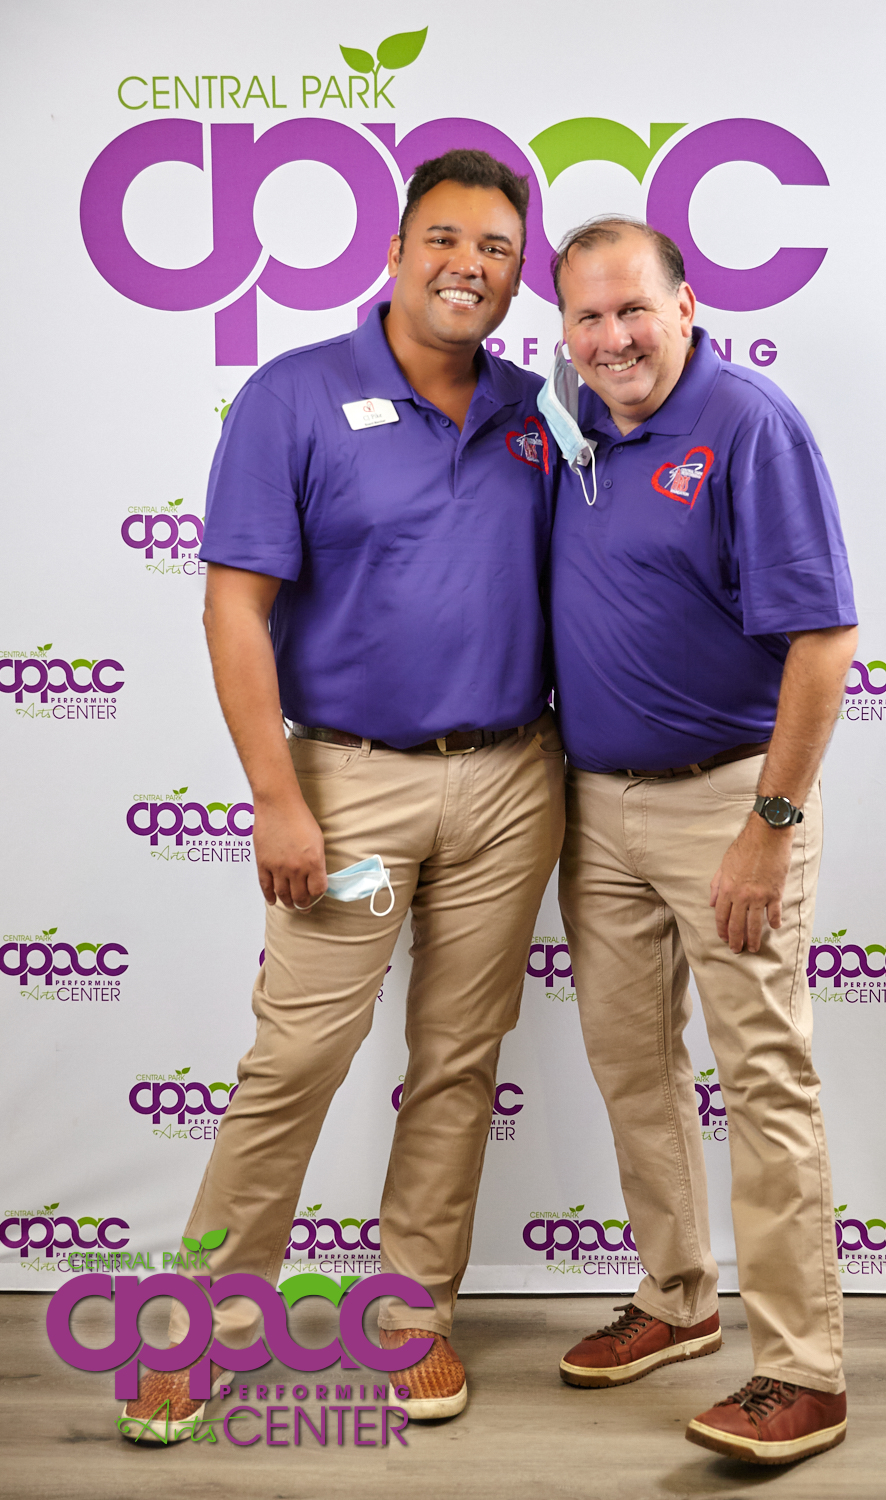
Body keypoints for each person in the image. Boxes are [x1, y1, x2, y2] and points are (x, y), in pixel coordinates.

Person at [120, 150, 564, 1441]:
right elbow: (235, 609)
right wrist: (277, 796)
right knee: (300, 1055)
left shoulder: (537, 410)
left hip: (510, 784)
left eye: (494, 247)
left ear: (516, 275)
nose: (467, 265)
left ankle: (413, 1314)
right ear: (395, 251)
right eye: (445, 238)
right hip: (350, 790)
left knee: (459, 1064)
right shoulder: (293, 396)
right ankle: (201, 1322)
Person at [541, 217, 857, 1466]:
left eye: (633, 309)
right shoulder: (573, 426)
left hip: (729, 802)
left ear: (685, 306)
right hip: (594, 803)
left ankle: (803, 1370)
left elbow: (823, 639)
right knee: (632, 1067)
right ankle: (676, 1300)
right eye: (587, 316)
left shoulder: (748, 424)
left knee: (762, 1076)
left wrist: (768, 828)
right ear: (564, 331)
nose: (612, 337)